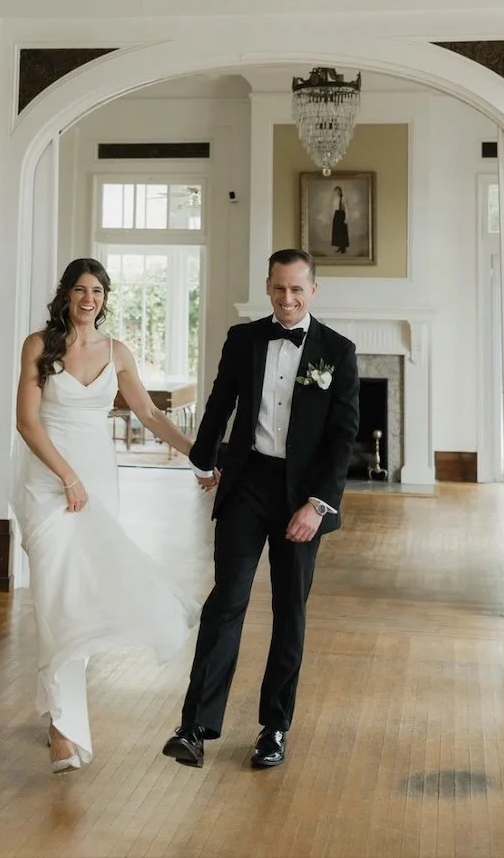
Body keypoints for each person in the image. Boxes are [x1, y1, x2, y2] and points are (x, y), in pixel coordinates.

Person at [162, 248, 359, 770]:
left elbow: (343, 439)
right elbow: (220, 404)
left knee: (288, 610)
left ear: (313, 290)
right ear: (268, 287)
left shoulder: (337, 352)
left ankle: (274, 728)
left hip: (303, 496)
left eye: (297, 289)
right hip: (247, 484)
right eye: (278, 289)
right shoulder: (243, 339)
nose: (287, 299)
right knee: (226, 600)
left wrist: (318, 506)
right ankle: (194, 727)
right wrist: (202, 462)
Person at [13, 257, 199, 773]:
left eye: (96, 290)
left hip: (99, 485)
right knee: (55, 596)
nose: (87, 298)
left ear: (105, 297)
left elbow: (151, 414)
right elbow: (27, 423)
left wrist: (199, 454)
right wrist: (67, 478)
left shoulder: (117, 352)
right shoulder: (39, 346)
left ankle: (59, 710)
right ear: (66, 295)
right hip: (49, 483)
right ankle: (61, 729)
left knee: (82, 602)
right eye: (79, 289)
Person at [331, 186, 350, 254]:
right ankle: (339, 246)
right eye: (336, 191)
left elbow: (346, 208)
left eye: (338, 191)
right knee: (337, 232)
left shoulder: (343, 198)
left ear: (340, 191)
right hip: (337, 215)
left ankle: (343, 248)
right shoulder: (335, 199)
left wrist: (346, 218)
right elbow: (334, 208)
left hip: (342, 215)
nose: (337, 192)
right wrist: (334, 216)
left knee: (342, 232)